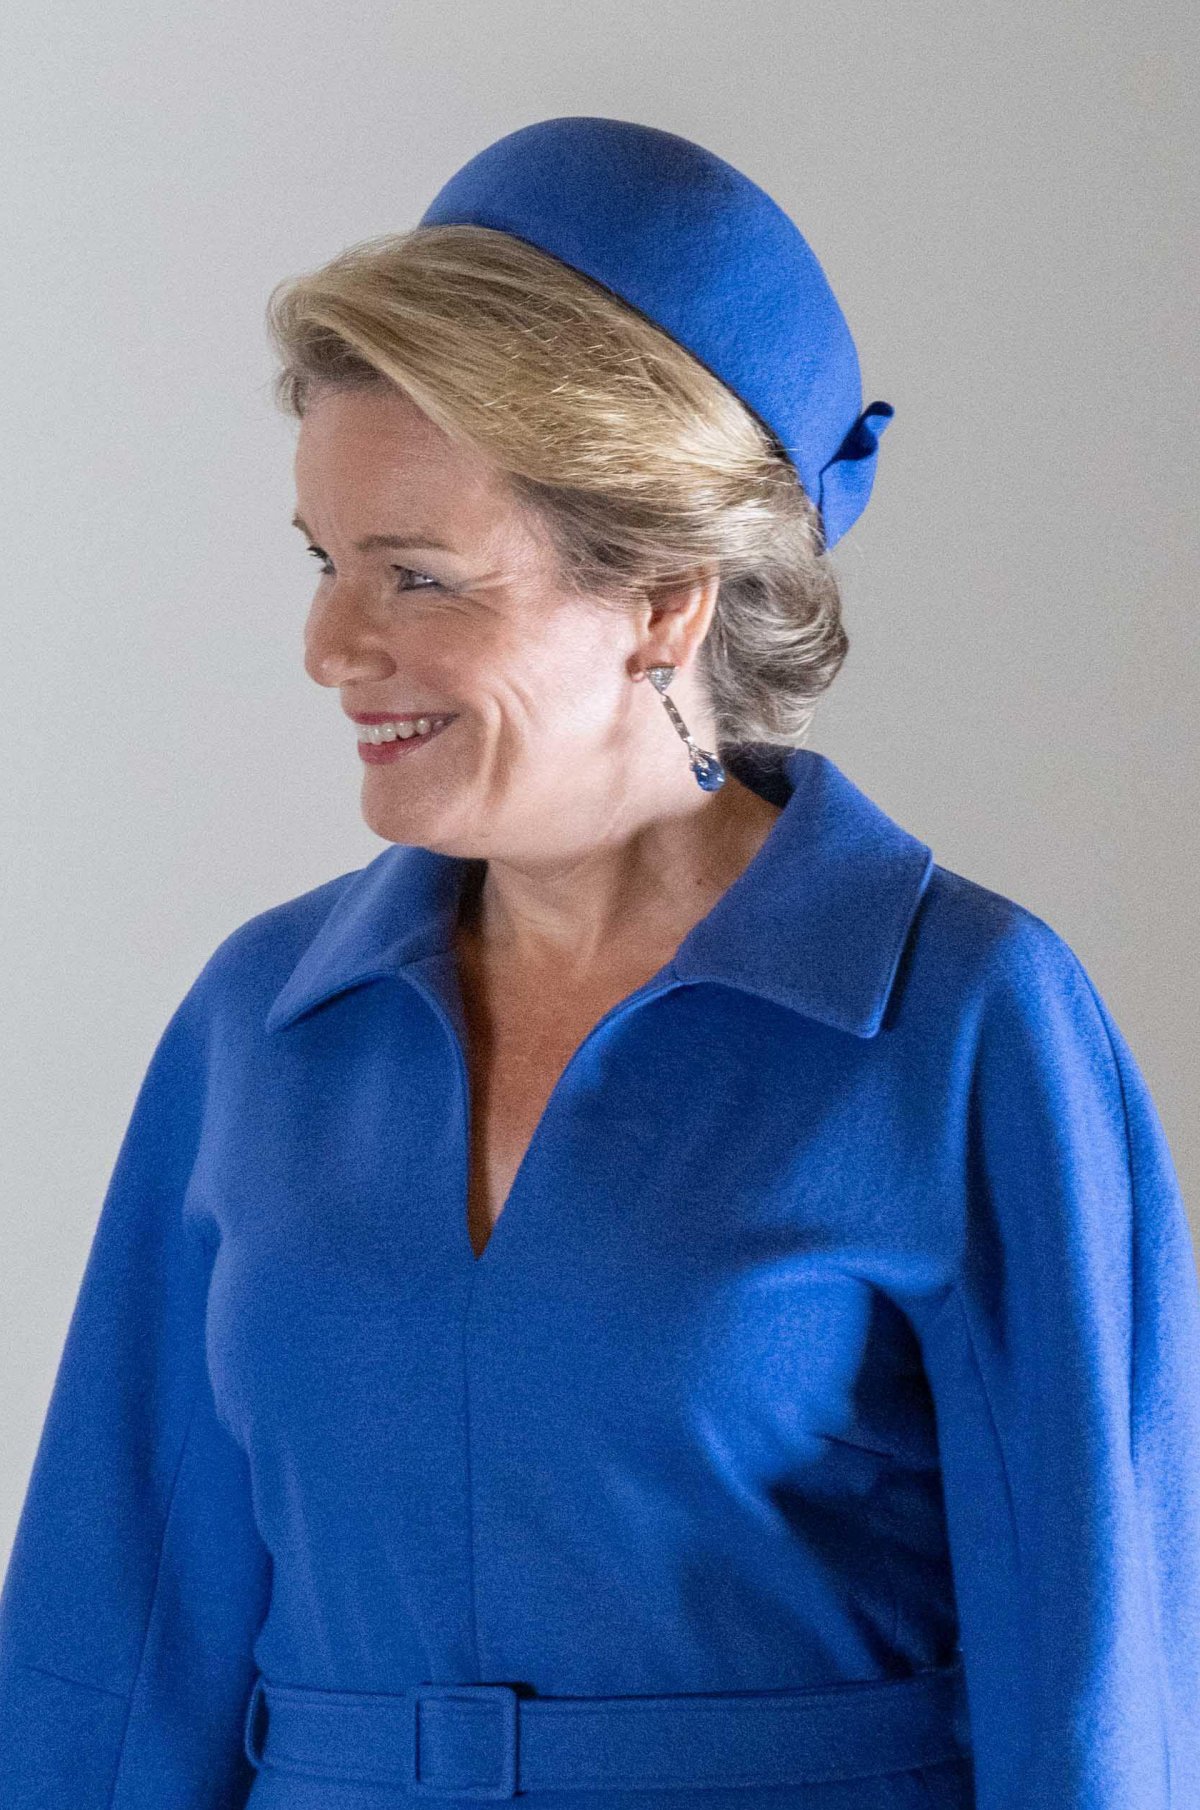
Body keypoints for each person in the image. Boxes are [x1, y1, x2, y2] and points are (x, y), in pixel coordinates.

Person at [1, 115, 1197, 1810]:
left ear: (661, 599)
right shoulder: (260, 1029)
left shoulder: (965, 1025)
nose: (334, 644)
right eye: (325, 564)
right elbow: (108, 1653)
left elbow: (1098, 1688)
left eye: (418, 575)